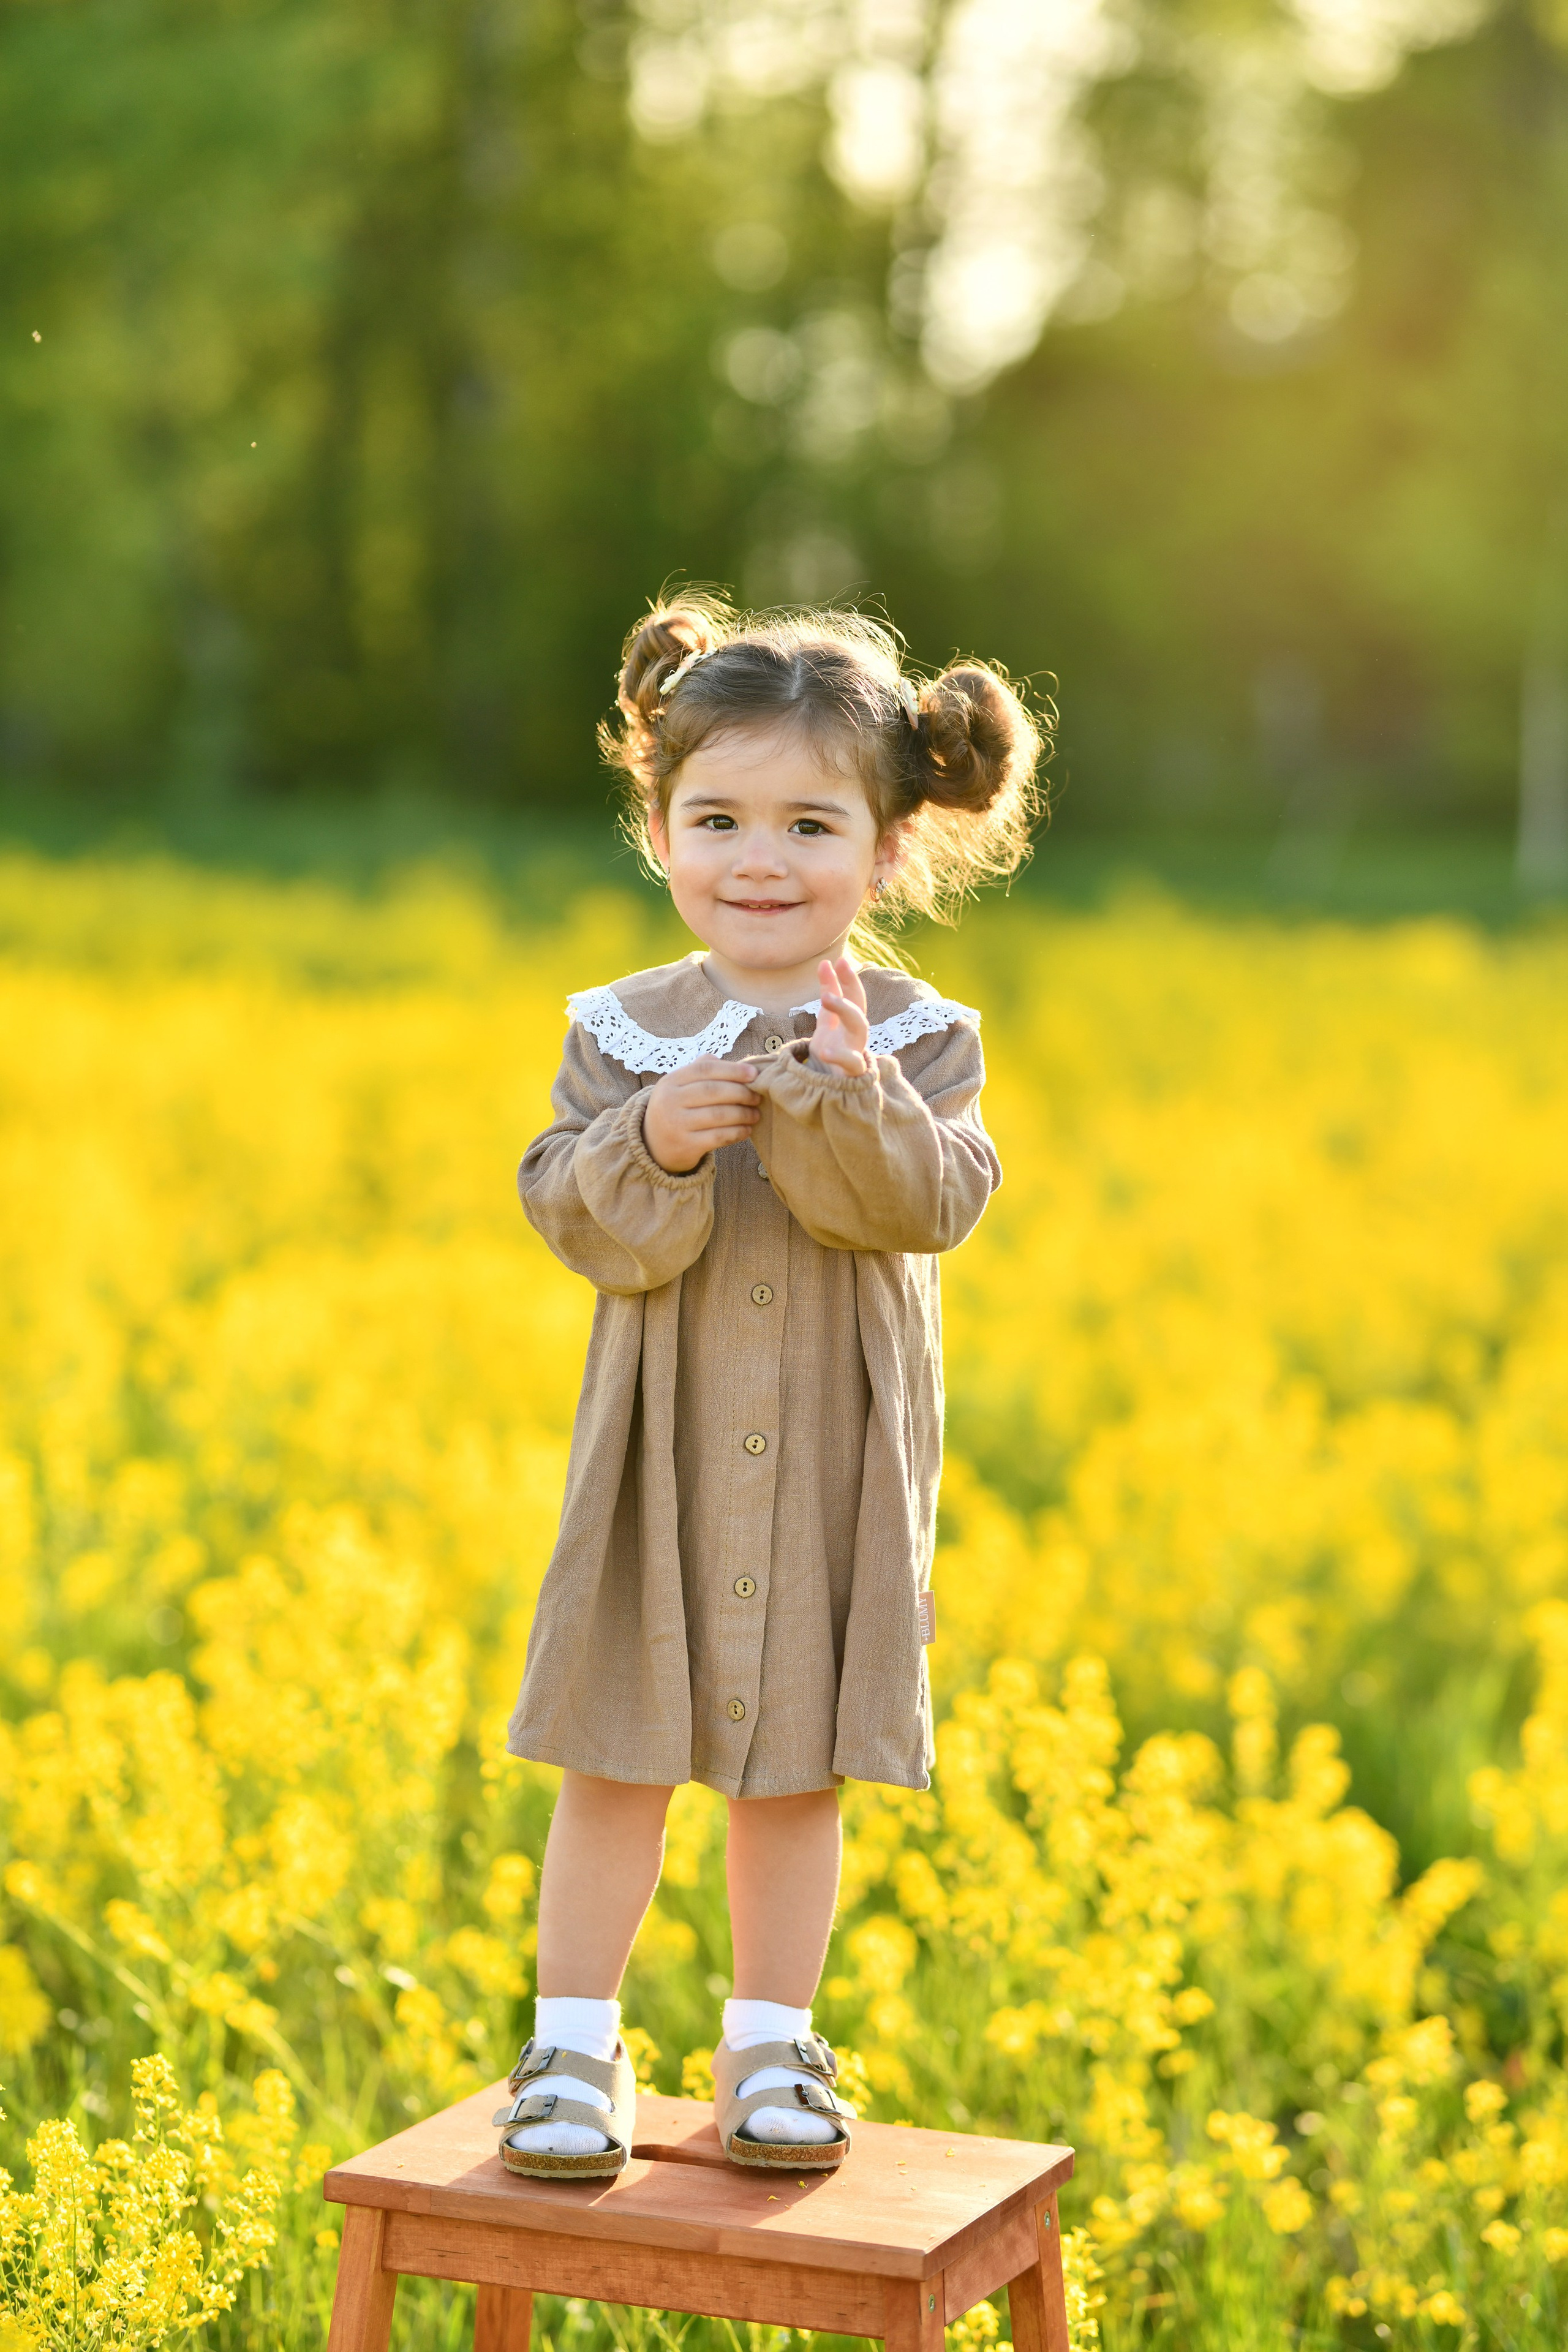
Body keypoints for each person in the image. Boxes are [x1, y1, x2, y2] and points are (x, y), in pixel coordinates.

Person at [496, 595, 1042, 2177]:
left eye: (811, 823)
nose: (760, 857)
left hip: (829, 1466)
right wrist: (651, 1140)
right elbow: (570, 1213)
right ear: (658, 828)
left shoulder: (924, 1036)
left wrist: (850, 1100)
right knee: (617, 1753)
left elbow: (929, 1205)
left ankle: (767, 2045)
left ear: (885, 851)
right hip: (655, 1458)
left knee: (794, 1772)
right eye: (716, 816)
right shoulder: (622, 1032)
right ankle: (571, 2048)